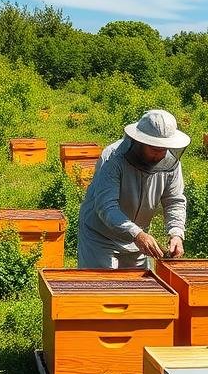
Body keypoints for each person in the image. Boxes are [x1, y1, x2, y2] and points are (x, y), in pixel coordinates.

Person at [77, 109, 189, 268]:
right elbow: (106, 206)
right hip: (101, 237)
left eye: (164, 149)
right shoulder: (113, 157)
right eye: (155, 150)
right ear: (141, 142)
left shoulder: (170, 162)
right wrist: (137, 233)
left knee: (137, 290)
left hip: (137, 240)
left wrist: (176, 233)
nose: (160, 155)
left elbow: (174, 200)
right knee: (102, 289)